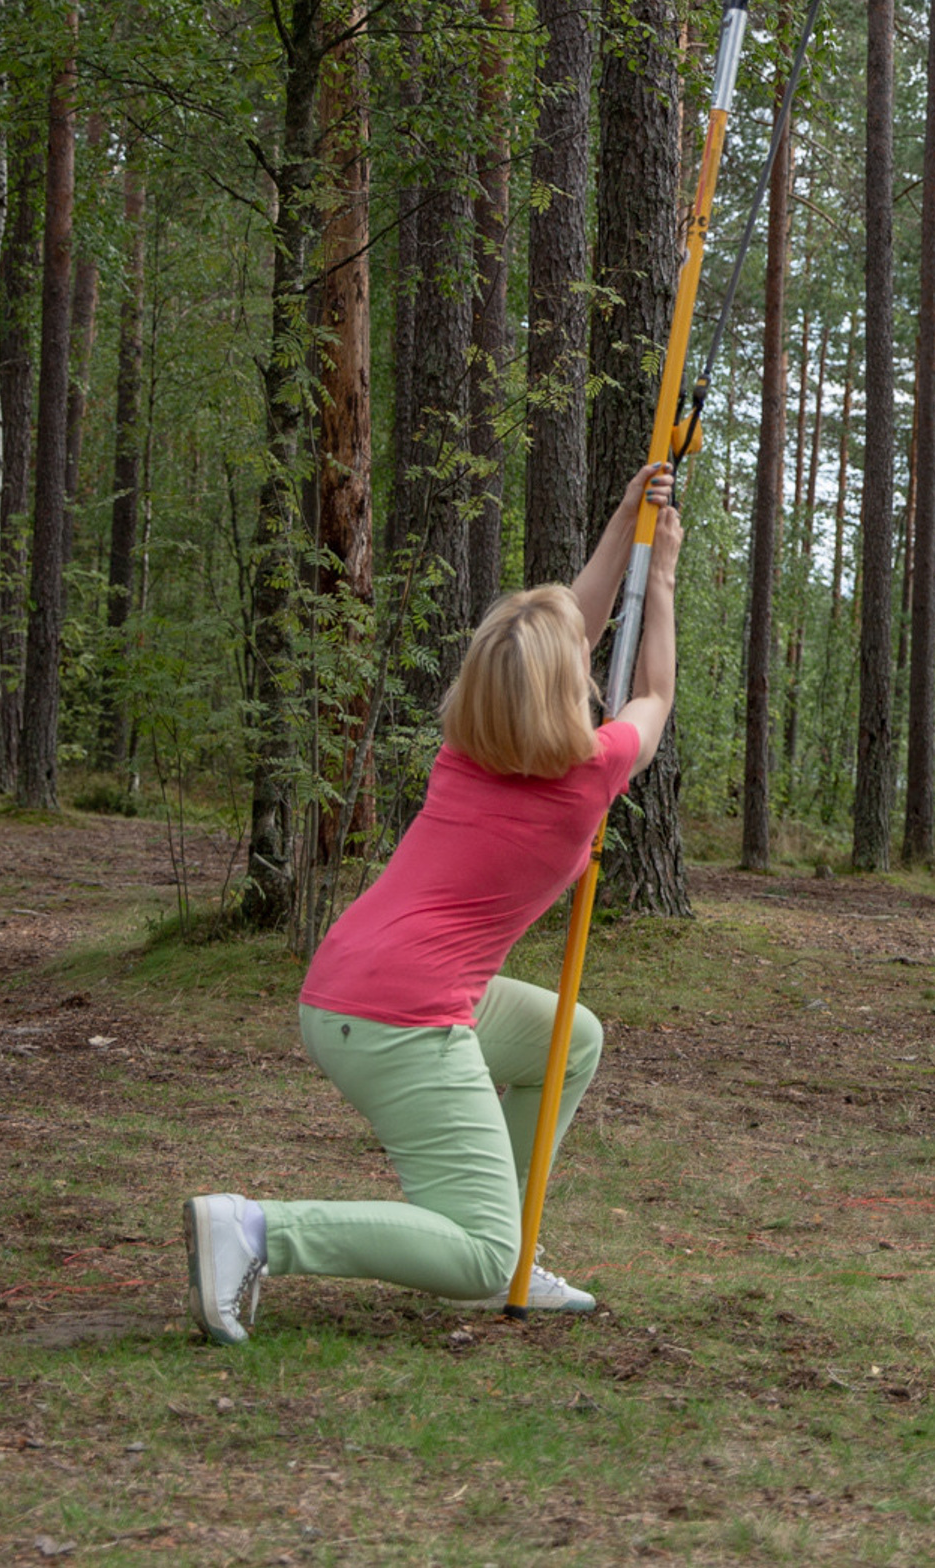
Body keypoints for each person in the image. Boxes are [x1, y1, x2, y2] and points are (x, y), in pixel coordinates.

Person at [182, 465, 684, 1344]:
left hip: (353, 985)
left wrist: (630, 516)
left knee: (572, 1036)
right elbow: (655, 694)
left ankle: (513, 1239)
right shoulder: (589, 772)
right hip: (398, 1016)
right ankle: (260, 1230)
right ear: (563, 694)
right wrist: (664, 576)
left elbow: (576, 623)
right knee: (478, 1262)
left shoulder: (467, 748)